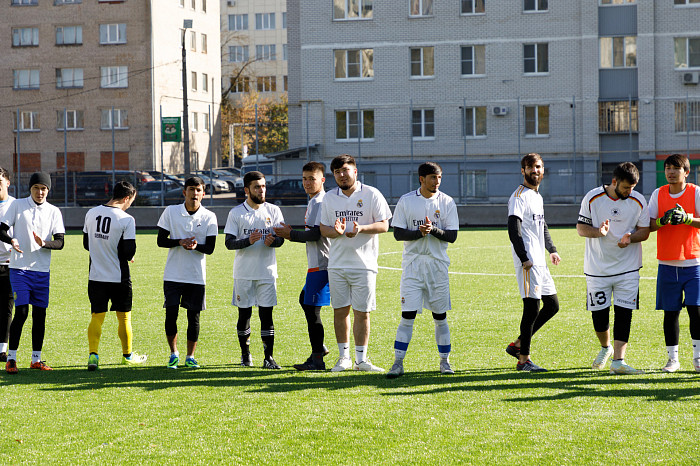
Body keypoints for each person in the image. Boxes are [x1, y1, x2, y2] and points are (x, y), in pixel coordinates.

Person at [320, 154, 392, 372]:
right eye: (337, 172)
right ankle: (344, 358)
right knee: (340, 311)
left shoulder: (371, 194)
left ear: (355, 171)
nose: (342, 175)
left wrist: (360, 228)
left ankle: (361, 360)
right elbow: (324, 229)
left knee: (363, 312)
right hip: (338, 265)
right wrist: (337, 231)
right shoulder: (329, 198)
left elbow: (384, 225)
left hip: (365, 265)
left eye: (345, 170)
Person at [386, 162, 459, 379]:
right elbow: (397, 233)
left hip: (437, 267)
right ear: (422, 179)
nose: (437, 182)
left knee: (440, 316)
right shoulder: (407, 201)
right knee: (407, 315)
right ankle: (398, 363)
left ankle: (445, 362)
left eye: (439, 178)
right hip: (413, 266)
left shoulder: (446, 201)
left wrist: (433, 230)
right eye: (432, 178)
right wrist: (419, 233)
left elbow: (452, 236)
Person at [576, 162, 649, 375]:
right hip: (597, 268)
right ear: (614, 182)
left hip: (628, 268)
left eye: (633, 187)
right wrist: (599, 232)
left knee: (624, 313)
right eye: (626, 187)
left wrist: (631, 238)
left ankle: (619, 361)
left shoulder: (638, 200)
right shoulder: (592, 197)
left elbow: (644, 231)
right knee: (599, 315)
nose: (630, 192)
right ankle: (605, 347)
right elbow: (581, 228)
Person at [0, 172, 65, 373]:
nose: (40, 192)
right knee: (21, 311)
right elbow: (1, 229)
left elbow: (60, 242)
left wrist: (44, 243)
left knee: (40, 315)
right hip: (19, 269)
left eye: (43, 188)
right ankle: (11, 358)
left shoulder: (54, 211)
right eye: (36, 188)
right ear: (30, 189)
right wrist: (11, 240)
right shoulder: (17, 205)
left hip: (42, 271)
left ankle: (36, 359)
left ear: (48, 190)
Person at [83, 181, 147, 371]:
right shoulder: (126, 219)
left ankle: (93, 355)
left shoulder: (91, 213)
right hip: (119, 277)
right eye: (131, 202)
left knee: (97, 316)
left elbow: (87, 244)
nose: (130, 206)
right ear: (126, 198)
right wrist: (127, 254)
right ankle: (127, 356)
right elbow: (128, 252)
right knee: (124, 317)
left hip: (95, 276)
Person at [273, 162, 331, 371]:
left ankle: (318, 360)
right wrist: (293, 231)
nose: (307, 183)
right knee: (305, 302)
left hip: (322, 265)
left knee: (312, 310)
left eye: (312, 179)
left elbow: (316, 234)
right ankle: (319, 349)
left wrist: (290, 235)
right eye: (304, 179)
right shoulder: (315, 201)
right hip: (318, 264)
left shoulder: (320, 202)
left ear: (322, 180)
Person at [505, 153, 561, 372]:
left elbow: (542, 225)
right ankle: (523, 360)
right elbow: (513, 228)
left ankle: (518, 344)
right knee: (531, 308)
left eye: (538, 167)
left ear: (543, 169)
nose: (535, 171)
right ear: (523, 171)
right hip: (528, 261)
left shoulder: (537, 196)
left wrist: (552, 250)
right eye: (530, 167)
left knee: (552, 305)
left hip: (540, 261)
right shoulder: (519, 196)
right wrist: (524, 257)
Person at [225, 171, 285, 369]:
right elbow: (229, 243)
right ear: (246, 190)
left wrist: (273, 241)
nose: (261, 190)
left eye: (264, 186)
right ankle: (245, 355)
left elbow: (281, 239)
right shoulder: (236, 213)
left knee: (267, 316)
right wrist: (247, 241)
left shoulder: (274, 210)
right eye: (257, 187)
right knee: (244, 315)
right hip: (244, 273)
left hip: (267, 272)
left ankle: (269, 358)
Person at [157, 176, 217, 369]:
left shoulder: (209, 216)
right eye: (191, 189)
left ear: (203, 194)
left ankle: (190, 356)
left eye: (198, 190)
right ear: (184, 192)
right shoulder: (171, 211)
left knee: (194, 317)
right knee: (171, 314)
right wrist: (179, 242)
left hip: (196, 276)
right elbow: (160, 240)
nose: (194, 193)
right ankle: (173, 353)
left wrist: (195, 246)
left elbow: (210, 248)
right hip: (173, 274)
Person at [648, 153, 700, 373]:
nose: (670, 172)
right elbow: (649, 225)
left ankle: (698, 358)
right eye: (667, 168)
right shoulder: (658, 194)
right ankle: (672, 359)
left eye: (675, 168)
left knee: (695, 311)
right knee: (670, 313)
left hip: (694, 262)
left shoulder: (696, 192)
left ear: (686, 172)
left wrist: (688, 218)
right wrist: (663, 220)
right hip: (667, 263)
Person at [0, 168, 14, 363]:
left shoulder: (16, 206)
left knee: (6, 308)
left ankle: (2, 349)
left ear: (8, 183)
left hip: (9, 264)